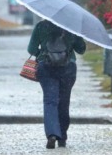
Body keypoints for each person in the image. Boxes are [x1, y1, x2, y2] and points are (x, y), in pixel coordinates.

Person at [27, 19, 86, 149]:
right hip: (68, 68)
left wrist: (42, 54)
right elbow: (81, 49)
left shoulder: (41, 26)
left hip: (46, 67)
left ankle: (52, 134)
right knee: (64, 102)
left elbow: (31, 49)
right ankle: (62, 138)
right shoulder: (71, 26)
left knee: (50, 101)